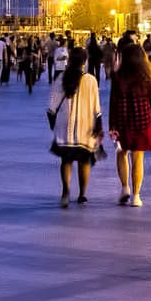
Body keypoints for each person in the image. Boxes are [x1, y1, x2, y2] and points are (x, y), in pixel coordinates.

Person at [109, 43, 151, 208]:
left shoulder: (117, 77)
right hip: (142, 122)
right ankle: (136, 196)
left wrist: (112, 126)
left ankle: (125, 187)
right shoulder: (147, 76)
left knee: (121, 153)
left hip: (122, 121)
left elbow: (113, 102)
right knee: (138, 158)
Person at [48, 46, 103, 205]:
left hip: (65, 125)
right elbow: (96, 108)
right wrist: (98, 127)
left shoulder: (61, 78)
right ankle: (82, 194)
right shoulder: (91, 80)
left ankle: (65, 192)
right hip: (85, 125)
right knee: (84, 160)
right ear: (85, 62)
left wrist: (53, 125)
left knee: (66, 160)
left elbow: (51, 107)